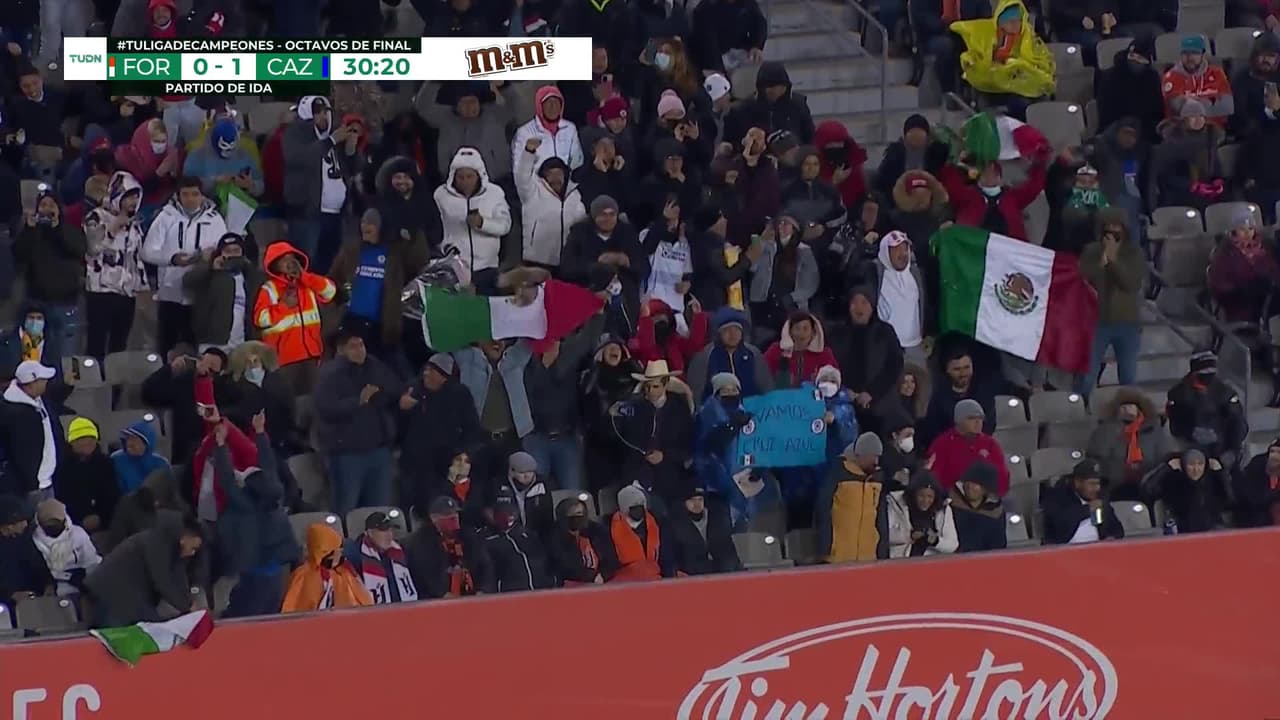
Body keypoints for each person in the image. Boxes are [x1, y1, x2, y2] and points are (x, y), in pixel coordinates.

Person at [212, 414, 298, 618]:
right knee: (270, 614)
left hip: (255, 573)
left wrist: (220, 445)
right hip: (277, 572)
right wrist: (260, 433)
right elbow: (269, 465)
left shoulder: (245, 504)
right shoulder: (276, 495)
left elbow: (226, 479)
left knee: (246, 615)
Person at [313, 329, 401, 518]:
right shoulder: (330, 375)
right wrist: (357, 402)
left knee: (379, 509)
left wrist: (380, 395)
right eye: (353, 347)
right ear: (341, 350)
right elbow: (325, 408)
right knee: (347, 510)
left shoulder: (375, 366)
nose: (360, 350)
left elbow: (394, 388)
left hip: (378, 450)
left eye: (361, 345)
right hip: (347, 454)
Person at [140, 175, 228, 355]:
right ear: (178, 195)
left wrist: (210, 257)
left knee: (196, 348)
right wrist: (172, 259)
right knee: (166, 347)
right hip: (170, 295)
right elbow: (147, 252)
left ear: (202, 196)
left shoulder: (215, 220)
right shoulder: (166, 217)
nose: (190, 199)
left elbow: (224, 252)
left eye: (195, 194)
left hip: (200, 295)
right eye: (185, 194)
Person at [328, 208, 429, 363]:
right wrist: (337, 301)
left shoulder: (395, 253)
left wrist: (414, 235)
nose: (365, 225)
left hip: (380, 327)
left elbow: (420, 261)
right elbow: (332, 279)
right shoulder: (351, 250)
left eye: (371, 223)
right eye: (363, 221)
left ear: (381, 227)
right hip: (351, 322)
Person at [282, 95, 364, 273]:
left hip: (337, 215)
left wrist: (351, 150)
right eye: (317, 112)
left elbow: (354, 169)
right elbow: (298, 158)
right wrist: (331, 141)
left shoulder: (335, 134)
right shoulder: (295, 133)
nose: (322, 116)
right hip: (309, 214)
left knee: (333, 265)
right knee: (308, 265)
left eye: (325, 111)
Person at [84, 511, 203, 627]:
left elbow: (179, 578)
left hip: (128, 595)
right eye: (193, 548)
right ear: (184, 538)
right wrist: (187, 607)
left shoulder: (174, 550)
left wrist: (189, 604)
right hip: (109, 592)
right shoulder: (157, 543)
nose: (192, 553)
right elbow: (162, 580)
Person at [398, 354, 483, 512]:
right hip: (415, 465)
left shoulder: (460, 394)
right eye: (426, 369)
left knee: (443, 507)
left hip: (446, 465)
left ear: (444, 376)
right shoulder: (413, 390)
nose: (426, 374)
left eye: (432, 371)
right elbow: (398, 425)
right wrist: (403, 409)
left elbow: (472, 428)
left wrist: (465, 453)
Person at [1077, 210, 1146, 396]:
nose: (1112, 234)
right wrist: (1102, 263)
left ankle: (1129, 410)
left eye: (1117, 229)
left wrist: (1113, 261)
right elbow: (1083, 278)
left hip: (1127, 323)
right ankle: (1082, 408)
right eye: (1108, 230)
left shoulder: (1134, 253)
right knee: (1087, 377)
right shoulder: (1091, 251)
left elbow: (1131, 283)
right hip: (1097, 322)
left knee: (1128, 377)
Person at [254, 242, 337, 394]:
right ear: (275, 265)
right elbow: (260, 319)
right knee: (287, 403)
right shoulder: (269, 289)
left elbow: (330, 291)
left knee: (313, 401)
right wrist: (284, 306)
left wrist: (305, 277)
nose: (290, 262)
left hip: (312, 356)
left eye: (292, 258)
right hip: (283, 360)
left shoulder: (307, 283)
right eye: (284, 259)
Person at [83, 171, 149, 360]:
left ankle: (115, 379)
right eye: (129, 197)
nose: (133, 202)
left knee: (119, 345)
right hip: (100, 291)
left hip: (126, 293)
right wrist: (113, 228)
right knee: (96, 342)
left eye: (136, 197)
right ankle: (94, 377)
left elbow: (136, 258)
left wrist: (141, 286)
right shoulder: (96, 216)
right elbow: (93, 249)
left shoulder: (135, 224)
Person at [612, 360, 696, 507]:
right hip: (638, 472)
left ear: (665, 384)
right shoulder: (636, 407)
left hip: (669, 476)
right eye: (647, 386)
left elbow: (687, 448)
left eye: (655, 386)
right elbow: (626, 441)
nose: (650, 391)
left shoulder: (679, 409)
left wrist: (665, 456)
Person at [951, 0, 1055, 118]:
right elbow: (977, 54)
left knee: (1024, 103)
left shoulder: (1028, 37)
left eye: (1018, 21)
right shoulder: (989, 38)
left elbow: (1040, 59)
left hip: (1020, 85)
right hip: (995, 85)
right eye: (1010, 21)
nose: (1015, 25)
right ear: (1001, 23)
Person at [14, 187, 86, 352]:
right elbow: (19, 254)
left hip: (66, 303)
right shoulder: (31, 231)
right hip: (36, 304)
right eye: (43, 205)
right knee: (33, 353)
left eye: (51, 205)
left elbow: (78, 250)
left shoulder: (70, 230)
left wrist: (57, 229)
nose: (47, 209)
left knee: (65, 356)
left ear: (59, 209)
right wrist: (29, 229)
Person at [433, 146, 513, 292]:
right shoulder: (440, 195)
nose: (465, 181)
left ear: (479, 175)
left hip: (487, 268)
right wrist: (446, 250)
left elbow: (505, 225)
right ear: (453, 176)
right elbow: (435, 229)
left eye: (470, 176)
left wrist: (483, 223)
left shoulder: (495, 193)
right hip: (455, 269)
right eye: (461, 177)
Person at [415, 81, 517, 186]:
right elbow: (423, 106)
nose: (469, 107)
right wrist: (435, 82)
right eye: (464, 103)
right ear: (457, 105)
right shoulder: (444, 117)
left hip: (496, 179)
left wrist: (504, 85)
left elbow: (514, 105)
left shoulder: (496, 114)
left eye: (473, 102)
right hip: (455, 182)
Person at [834, 286, 904, 431]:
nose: (859, 307)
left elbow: (894, 365)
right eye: (854, 302)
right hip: (845, 404)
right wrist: (845, 391)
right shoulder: (838, 333)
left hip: (880, 406)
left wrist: (872, 393)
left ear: (872, 306)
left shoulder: (885, 332)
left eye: (864, 302)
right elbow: (831, 366)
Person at [1086, 388, 1175, 501]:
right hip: (1114, 485)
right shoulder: (1105, 430)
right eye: (1123, 407)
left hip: (1148, 484)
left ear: (1139, 409)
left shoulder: (1154, 430)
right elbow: (1096, 456)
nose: (1126, 410)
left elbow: (1164, 457)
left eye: (1130, 406)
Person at [183, 232, 264, 353]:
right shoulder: (210, 274)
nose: (232, 255)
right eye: (228, 251)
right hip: (212, 342)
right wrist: (210, 267)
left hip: (241, 342)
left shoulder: (250, 277)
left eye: (236, 250)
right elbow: (188, 282)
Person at [1166, 351, 1248, 469]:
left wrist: (1232, 450)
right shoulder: (1178, 394)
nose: (1209, 376)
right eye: (1205, 371)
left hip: (1223, 447)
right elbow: (1175, 424)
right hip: (1191, 449)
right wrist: (1191, 432)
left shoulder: (1225, 393)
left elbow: (1238, 422)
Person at [515, 140, 588, 273]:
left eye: (559, 174)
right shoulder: (532, 191)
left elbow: (581, 223)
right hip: (536, 261)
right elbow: (522, 176)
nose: (555, 178)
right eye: (550, 174)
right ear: (544, 176)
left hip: (566, 262)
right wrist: (529, 152)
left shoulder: (574, 195)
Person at [816, 433, 889, 562]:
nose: (876, 462)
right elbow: (823, 510)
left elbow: (881, 519)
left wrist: (883, 551)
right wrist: (825, 547)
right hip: (839, 556)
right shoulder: (838, 474)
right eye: (872, 457)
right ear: (860, 454)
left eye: (878, 457)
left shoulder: (877, 479)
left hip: (869, 557)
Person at [747, 216, 820, 340]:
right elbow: (752, 267)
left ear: (794, 229)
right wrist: (761, 242)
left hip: (789, 307)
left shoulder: (804, 252)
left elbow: (811, 284)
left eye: (786, 223)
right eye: (780, 223)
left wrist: (791, 298)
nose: (782, 226)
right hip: (762, 305)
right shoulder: (766, 247)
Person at [405, 496, 490, 598]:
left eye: (455, 514)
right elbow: (424, 574)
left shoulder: (468, 536)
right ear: (434, 518)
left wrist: (483, 590)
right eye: (448, 516)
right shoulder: (421, 541)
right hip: (436, 599)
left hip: (471, 596)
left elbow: (484, 565)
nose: (454, 519)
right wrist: (443, 594)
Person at [0, 361, 60, 503]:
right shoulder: (19, 415)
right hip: (33, 488)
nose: (46, 382)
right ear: (31, 384)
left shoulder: (36, 399)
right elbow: (23, 453)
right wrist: (32, 484)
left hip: (46, 481)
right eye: (42, 379)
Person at [281, 522, 374, 613]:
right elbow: (296, 610)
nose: (341, 552)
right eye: (338, 549)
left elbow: (365, 602)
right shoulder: (304, 576)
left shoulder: (345, 571)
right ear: (328, 554)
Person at [927, 399, 1010, 496]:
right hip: (951, 498)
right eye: (972, 418)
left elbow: (1002, 477)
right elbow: (933, 477)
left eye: (981, 418)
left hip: (986, 497)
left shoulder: (990, 444)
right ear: (959, 420)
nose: (978, 422)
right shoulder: (942, 444)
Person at [479, 488, 555, 592]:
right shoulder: (485, 541)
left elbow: (548, 564)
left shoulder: (529, 535)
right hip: (512, 597)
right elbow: (486, 575)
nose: (507, 515)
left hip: (543, 594)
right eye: (501, 511)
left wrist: (554, 581)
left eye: (510, 511)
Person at [723, 61, 815, 147]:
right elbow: (733, 141)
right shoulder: (743, 110)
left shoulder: (798, 105)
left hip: (792, 154)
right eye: (771, 91)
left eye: (780, 89)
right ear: (761, 88)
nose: (776, 93)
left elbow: (809, 137)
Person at [687, 307, 773, 399]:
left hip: (751, 405)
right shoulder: (705, 356)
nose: (733, 334)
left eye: (736, 329)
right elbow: (696, 391)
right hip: (717, 406)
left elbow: (766, 387)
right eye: (727, 330)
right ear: (719, 334)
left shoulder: (753, 354)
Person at [53, 418, 119, 534]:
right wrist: (80, 522)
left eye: (91, 439)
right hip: (72, 526)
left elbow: (112, 495)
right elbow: (61, 498)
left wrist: (101, 518)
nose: (87, 443)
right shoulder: (61, 467)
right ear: (72, 442)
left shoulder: (106, 464)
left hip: (105, 524)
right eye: (81, 439)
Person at [873, 231, 930, 367]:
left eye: (905, 249)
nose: (903, 254)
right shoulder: (875, 273)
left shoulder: (916, 274)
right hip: (885, 346)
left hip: (915, 345)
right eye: (897, 249)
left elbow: (924, 305)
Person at [920, 347, 997, 446]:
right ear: (947, 370)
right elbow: (932, 430)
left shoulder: (984, 393)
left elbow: (989, 424)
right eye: (957, 369)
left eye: (966, 367)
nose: (963, 373)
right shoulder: (937, 398)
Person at [1096, 36, 1165, 144]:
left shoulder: (1152, 78)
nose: (1136, 61)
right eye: (1132, 56)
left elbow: (1156, 109)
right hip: (1114, 128)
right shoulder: (1110, 76)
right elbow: (1105, 112)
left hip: (1145, 130)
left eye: (1140, 59)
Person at [341, 510, 418, 605]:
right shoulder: (356, 556)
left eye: (391, 530)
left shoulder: (400, 552)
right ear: (369, 532)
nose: (389, 535)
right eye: (383, 530)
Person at [1041, 459, 1125, 545]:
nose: (1097, 488)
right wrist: (1087, 509)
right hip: (1066, 549)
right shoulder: (1058, 497)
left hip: (1097, 548)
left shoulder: (1099, 498)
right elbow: (1059, 525)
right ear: (1077, 483)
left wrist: (1111, 537)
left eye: (1098, 483)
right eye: (1092, 484)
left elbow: (1117, 529)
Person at [1143, 449, 1225, 534]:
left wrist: (1220, 473)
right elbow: (1148, 491)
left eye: (1200, 464)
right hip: (1182, 532)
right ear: (1183, 465)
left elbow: (1230, 499)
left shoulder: (1211, 482)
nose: (1196, 469)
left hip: (1211, 532)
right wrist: (1166, 468)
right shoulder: (1173, 482)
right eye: (1191, 464)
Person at [30, 498, 99, 598]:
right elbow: (43, 572)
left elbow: (91, 561)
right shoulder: (35, 542)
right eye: (49, 525)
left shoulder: (78, 534)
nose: (53, 527)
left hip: (85, 575)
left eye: (56, 523)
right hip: (59, 583)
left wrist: (87, 579)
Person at [666, 485, 742, 576]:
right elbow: (671, 556)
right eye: (692, 500)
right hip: (692, 576)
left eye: (700, 500)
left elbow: (729, 549)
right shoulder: (675, 525)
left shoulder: (718, 519)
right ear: (684, 503)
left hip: (722, 573)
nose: (697, 504)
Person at [181, 117, 264, 199]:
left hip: (240, 203)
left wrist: (251, 185)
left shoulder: (244, 156)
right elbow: (186, 188)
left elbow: (261, 187)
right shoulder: (195, 158)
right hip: (206, 202)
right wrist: (214, 181)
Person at [1161, 35, 1234, 127]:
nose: (1189, 57)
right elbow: (1179, 108)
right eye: (1185, 53)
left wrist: (1192, 104)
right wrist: (1211, 102)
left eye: (1194, 53)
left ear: (1203, 55)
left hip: (1214, 129)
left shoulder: (1217, 73)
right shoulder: (1171, 77)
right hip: (1182, 130)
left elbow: (1228, 108)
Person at [511, 85, 585, 173]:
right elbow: (519, 172)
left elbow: (577, 161)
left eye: (557, 102)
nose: (553, 107)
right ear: (540, 106)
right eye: (549, 102)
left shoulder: (570, 128)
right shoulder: (524, 132)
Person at [0, 496, 54, 613]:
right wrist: (10, 596)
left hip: (34, 601)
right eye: (20, 520)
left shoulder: (24, 540)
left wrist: (48, 585)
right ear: (7, 526)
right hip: (5, 607)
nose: (25, 524)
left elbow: (39, 566)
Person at [886, 472, 958, 558]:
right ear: (914, 494)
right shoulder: (896, 504)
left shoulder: (943, 510)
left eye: (930, 496)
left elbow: (952, 545)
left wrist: (935, 541)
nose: (925, 500)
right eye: (921, 496)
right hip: (900, 560)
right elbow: (885, 536)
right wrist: (909, 536)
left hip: (930, 562)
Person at [607, 485, 671, 581]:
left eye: (641, 505)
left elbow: (666, 557)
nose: (638, 509)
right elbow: (610, 562)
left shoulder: (656, 524)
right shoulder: (610, 529)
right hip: (627, 579)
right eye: (633, 506)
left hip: (655, 576)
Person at [630, 299, 710, 375]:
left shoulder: (674, 340)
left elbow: (694, 346)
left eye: (665, 318)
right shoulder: (637, 342)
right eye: (656, 318)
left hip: (677, 382)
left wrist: (698, 316)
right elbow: (648, 353)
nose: (661, 321)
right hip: (653, 382)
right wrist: (645, 321)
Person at [548, 496, 615, 585]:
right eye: (570, 514)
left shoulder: (597, 530)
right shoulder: (554, 537)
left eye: (579, 513)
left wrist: (603, 575)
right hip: (572, 583)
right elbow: (565, 567)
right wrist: (592, 577)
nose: (576, 518)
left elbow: (610, 558)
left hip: (601, 579)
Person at [763, 311, 837, 387]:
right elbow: (762, 374)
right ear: (790, 331)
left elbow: (834, 380)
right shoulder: (775, 350)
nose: (801, 333)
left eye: (805, 328)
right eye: (797, 328)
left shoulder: (825, 354)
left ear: (813, 332)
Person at [948, 462, 1008, 552]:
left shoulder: (995, 512)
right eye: (968, 481)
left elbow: (998, 547)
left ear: (986, 489)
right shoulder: (950, 503)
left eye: (975, 483)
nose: (969, 486)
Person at [110, 420, 169, 495]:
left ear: (147, 443)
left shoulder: (160, 463)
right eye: (128, 438)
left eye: (134, 439)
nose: (129, 443)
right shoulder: (116, 459)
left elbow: (166, 490)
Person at [1234, 439, 1280, 528]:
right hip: (1252, 516)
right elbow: (1254, 498)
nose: (1274, 456)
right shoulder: (1258, 465)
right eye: (1272, 451)